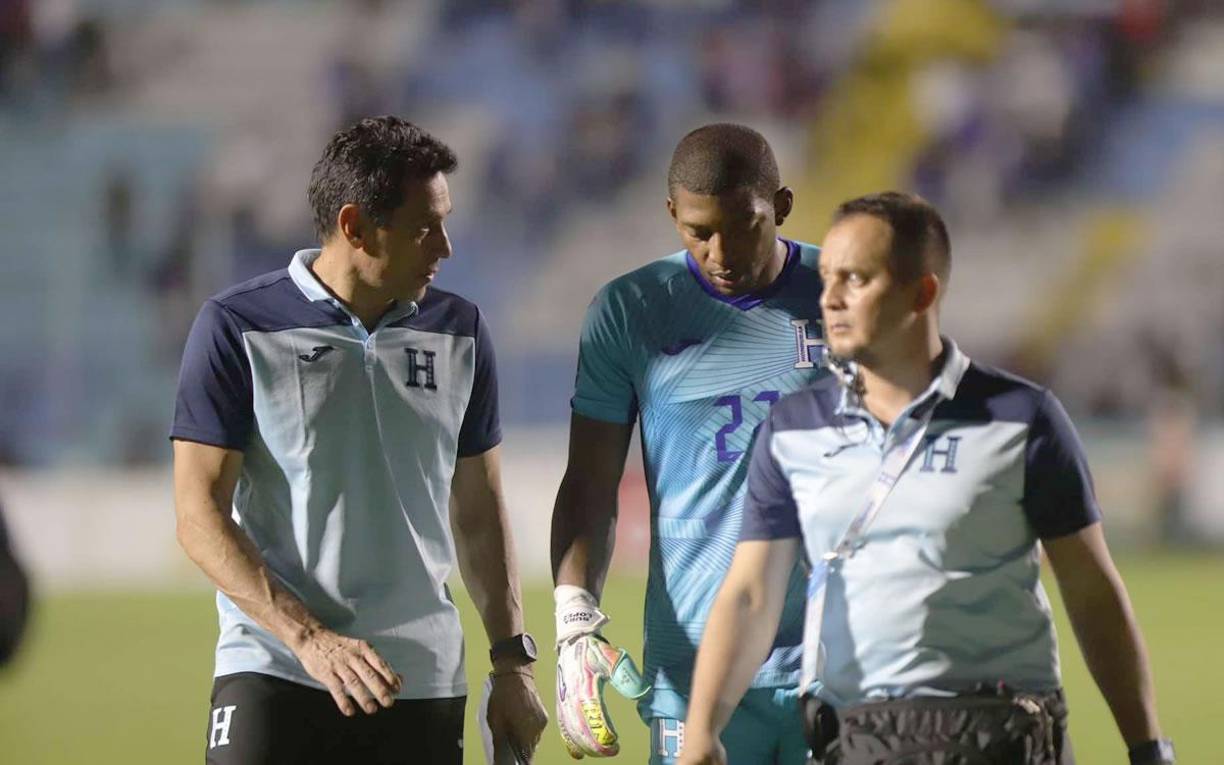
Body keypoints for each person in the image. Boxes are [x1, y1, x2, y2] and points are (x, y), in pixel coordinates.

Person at [680, 192, 1174, 765]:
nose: (831, 299)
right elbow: (750, 594)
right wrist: (702, 730)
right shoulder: (792, 429)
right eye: (827, 278)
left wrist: (1147, 747)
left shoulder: (1021, 417)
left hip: (1001, 740)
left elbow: (1091, 590)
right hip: (857, 740)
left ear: (922, 293)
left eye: (856, 279)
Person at [171, 116, 547, 765]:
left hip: (419, 679)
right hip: (276, 666)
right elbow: (197, 514)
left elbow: (480, 513)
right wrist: (308, 638)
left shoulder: (460, 331)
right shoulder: (236, 326)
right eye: (424, 228)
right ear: (355, 227)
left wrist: (513, 663)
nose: (446, 246)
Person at [550, 123, 828, 764]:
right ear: (672, 213)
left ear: (781, 206)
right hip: (695, 668)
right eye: (699, 232)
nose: (720, 252)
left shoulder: (845, 291)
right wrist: (573, 619)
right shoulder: (629, 309)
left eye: (743, 227)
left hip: (836, 663)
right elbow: (590, 480)